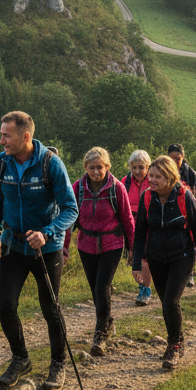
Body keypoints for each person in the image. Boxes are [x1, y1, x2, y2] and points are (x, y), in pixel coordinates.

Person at [0, 111, 78, 390]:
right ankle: (20, 358)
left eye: (6, 135)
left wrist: (47, 232)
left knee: (50, 308)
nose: (1, 140)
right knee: (5, 306)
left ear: (24, 136)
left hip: (46, 249)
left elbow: (70, 208)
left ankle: (58, 363)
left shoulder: (50, 164)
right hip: (13, 245)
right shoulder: (1, 163)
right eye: (2, 134)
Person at [132, 155, 196, 370]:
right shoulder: (148, 198)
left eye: (158, 177)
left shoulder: (185, 197)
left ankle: (174, 346)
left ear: (170, 177)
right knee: (166, 304)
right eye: (151, 176)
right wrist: (136, 263)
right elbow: (140, 232)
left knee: (170, 302)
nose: (152, 180)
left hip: (182, 256)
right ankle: (177, 339)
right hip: (156, 257)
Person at [64, 147, 135, 356]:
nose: (96, 172)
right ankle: (108, 320)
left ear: (107, 167)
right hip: (86, 244)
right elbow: (69, 220)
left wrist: (133, 249)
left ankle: (100, 334)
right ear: (85, 167)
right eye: (92, 168)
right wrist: (64, 247)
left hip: (112, 244)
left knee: (102, 288)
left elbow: (128, 220)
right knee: (95, 289)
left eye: (100, 168)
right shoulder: (77, 188)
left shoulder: (117, 188)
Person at [122, 149, 153, 306]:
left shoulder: (153, 181)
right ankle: (143, 286)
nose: (137, 171)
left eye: (141, 167)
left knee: (145, 258)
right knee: (135, 257)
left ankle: (146, 290)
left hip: (149, 225)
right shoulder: (125, 182)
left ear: (148, 167)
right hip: (131, 226)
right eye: (134, 167)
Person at [167, 143, 196, 287]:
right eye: (172, 158)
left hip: (187, 215)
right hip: (168, 214)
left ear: (183, 157)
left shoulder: (191, 174)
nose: (175, 161)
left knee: (190, 244)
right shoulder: (164, 172)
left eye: (178, 158)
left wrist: (189, 212)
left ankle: (190, 274)